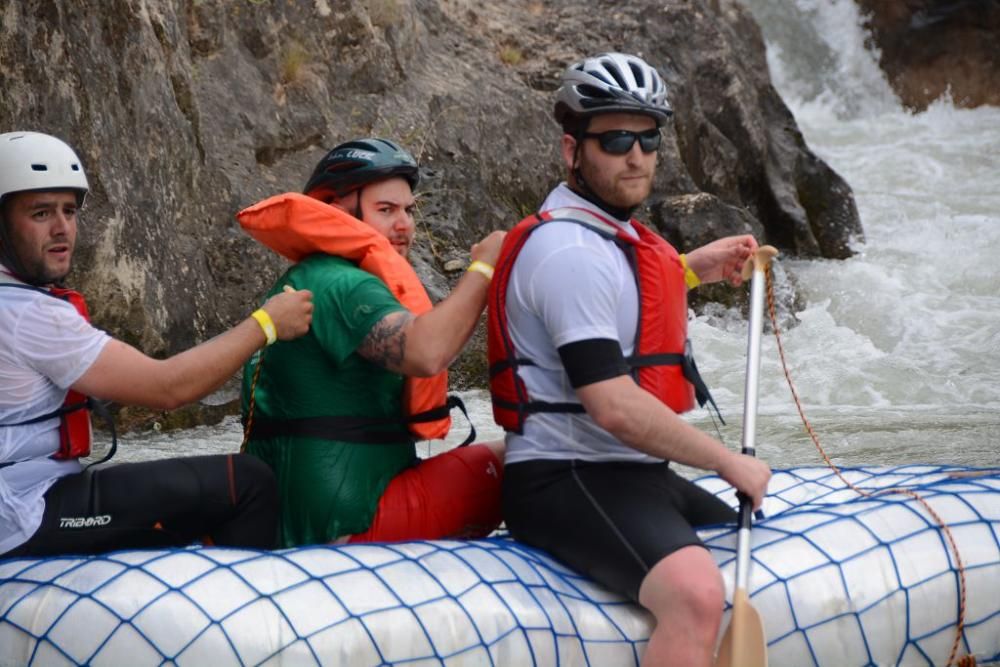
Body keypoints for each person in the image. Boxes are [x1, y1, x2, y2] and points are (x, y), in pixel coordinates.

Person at [487, 53, 773, 666]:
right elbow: (613, 405)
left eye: (647, 138)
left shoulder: (609, 235)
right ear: (573, 150)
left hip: (630, 473)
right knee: (697, 596)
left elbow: (622, 305)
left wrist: (692, 269)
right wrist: (726, 461)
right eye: (615, 138)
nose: (635, 155)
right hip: (567, 477)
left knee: (759, 549)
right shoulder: (567, 250)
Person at [0, 131, 315, 559]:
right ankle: (241, 620)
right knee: (247, 483)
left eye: (69, 211)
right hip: (23, 513)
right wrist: (266, 324)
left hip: (27, 495)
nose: (62, 229)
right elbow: (168, 389)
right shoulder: (26, 315)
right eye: (41, 213)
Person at [239, 137, 506, 548]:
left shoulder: (310, 276)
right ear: (336, 210)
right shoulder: (347, 286)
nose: (405, 225)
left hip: (292, 519)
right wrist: (485, 267)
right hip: (347, 525)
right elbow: (426, 352)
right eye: (386, 210)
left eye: (408, 211)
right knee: (525, 459)